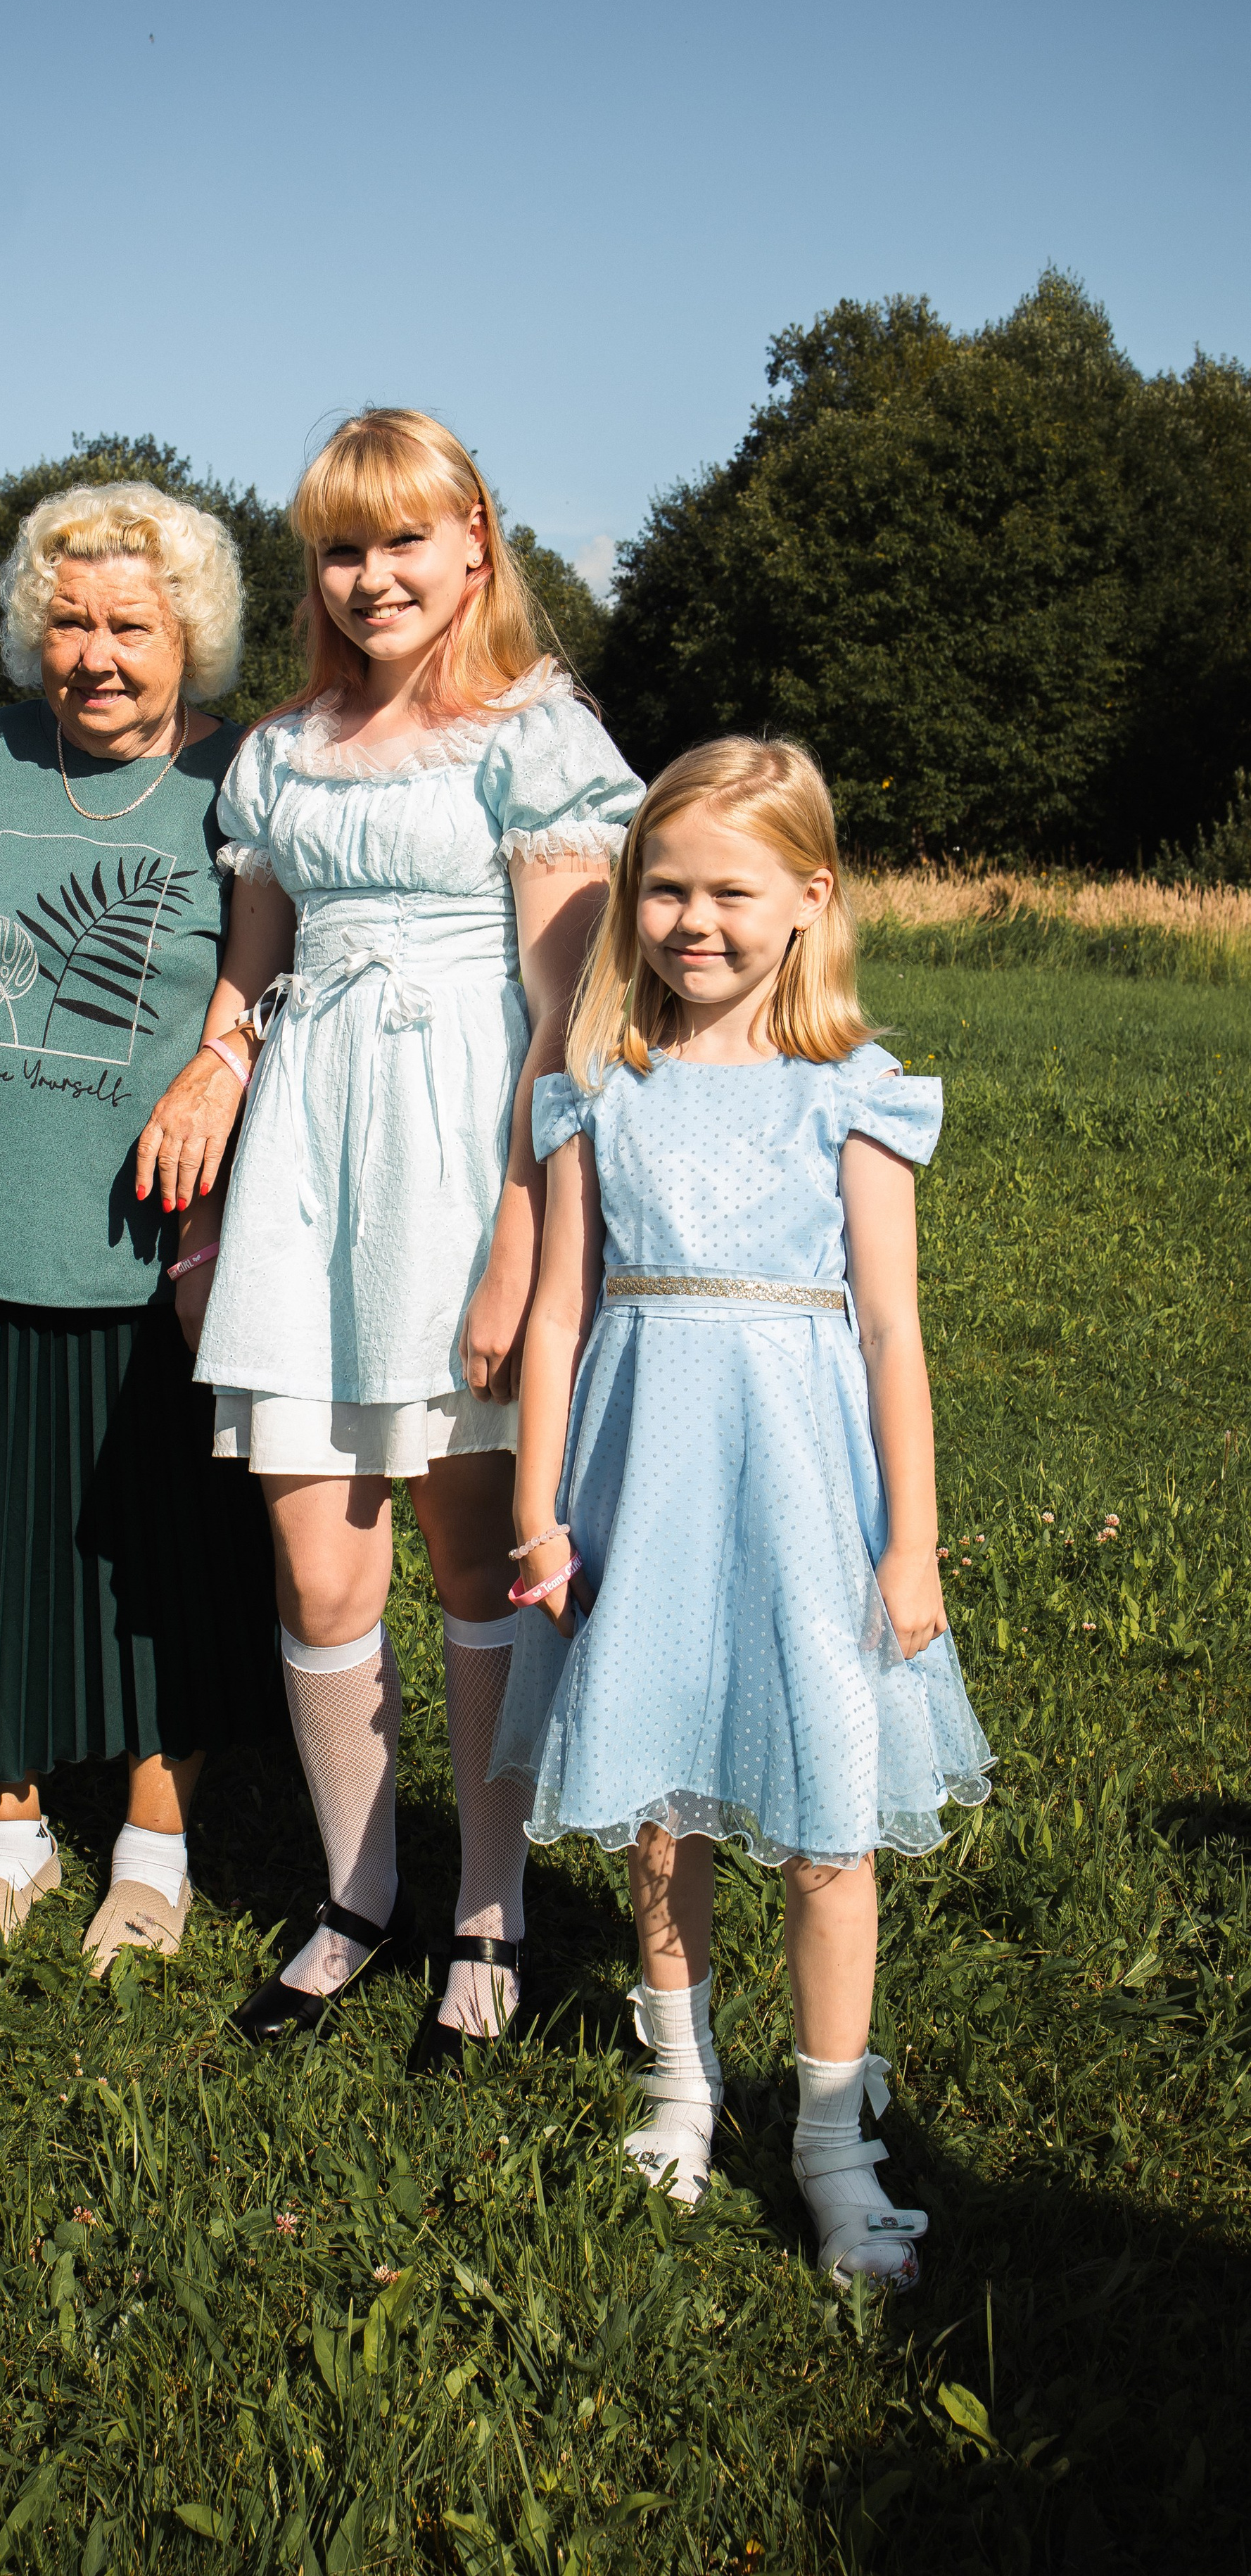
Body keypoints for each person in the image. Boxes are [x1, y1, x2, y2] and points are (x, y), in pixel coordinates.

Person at [136, 409, 643, 2062]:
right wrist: (213, 1075)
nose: (371, 578)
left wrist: (518, 1241)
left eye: (403, 540)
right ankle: (356, 1897)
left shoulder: (533, 736)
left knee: (466, 1549)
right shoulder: (280, 753)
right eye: (342, 549)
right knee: (314, 1553)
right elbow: (252, 964)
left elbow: (566, 1022)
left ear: (475, 543)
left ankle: (485, 1909)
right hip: (304, 1155)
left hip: (462, 1161)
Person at [495, 735, 994, 2285]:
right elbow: (561, 1320)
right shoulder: (602, 1092)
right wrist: (536, 1508)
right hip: (635, 1489)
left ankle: (834, 2133)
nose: (689, 921)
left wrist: (907, 1540)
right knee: (658, 1797)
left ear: (806, 899)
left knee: (823, 1824)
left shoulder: (850, 1095)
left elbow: (893, 1330)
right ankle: (678, 2079)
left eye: (728, 890)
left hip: (801, 1497)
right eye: (661, 888)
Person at [0, 481, 284, 1966]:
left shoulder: (248, 791)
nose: (93, 654)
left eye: (129, 626)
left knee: (162, 1561)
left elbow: (299, 988)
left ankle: (153, 1845)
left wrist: (229, 1066)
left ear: (189, 637)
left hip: (152, 1263)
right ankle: (8, 1833)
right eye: (68, 621)